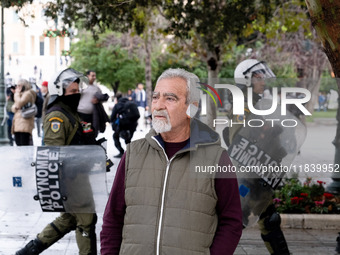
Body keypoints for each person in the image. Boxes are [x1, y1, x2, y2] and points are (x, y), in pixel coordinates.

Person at [100, 68, 243, 255]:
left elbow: (231, 222)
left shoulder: (217, 159)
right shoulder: (134, 153)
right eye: (155, 97)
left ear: (191, 107)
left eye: (170, 99)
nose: (158, 105)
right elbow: (112, 220)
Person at [16, 68, 98, 255]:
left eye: (78, 91)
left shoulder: (70, 113)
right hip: (71, 180)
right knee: (87, 221)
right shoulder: (57, 116)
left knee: (69, 219)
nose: (76, 95)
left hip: (78, 178)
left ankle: (27, 252)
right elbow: (52, 154)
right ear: (59, 93)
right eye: (72, 92)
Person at [225, 59, 290, 255]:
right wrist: (267, 133)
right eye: (259, 78)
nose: (263, 82)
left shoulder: (255, 104)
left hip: (258, 172)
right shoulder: (242, 106)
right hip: (247, 174)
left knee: (268, 219)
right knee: (237, 221)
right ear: (246, 80)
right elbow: (237, 139)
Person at [77, 70, 108, 137]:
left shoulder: (97, 88)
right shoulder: (80, 86)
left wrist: (98, 100)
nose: (94, 77)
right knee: (80, 132)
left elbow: (101, 99)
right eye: (92, 75)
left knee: (89, 132)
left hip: (92, 116)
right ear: (87, 76)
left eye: (95, 76)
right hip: (80, 114)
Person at [110, 93, 139, 158]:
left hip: (123, 124)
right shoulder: (132, 103)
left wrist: (114, 124)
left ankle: (121, 152)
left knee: (115, 136)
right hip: (133, 124)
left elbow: (112, 117)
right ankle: (131, 152)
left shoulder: (118, 105)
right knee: (128, 139)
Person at [11, 79, 36, 146]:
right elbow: (13, 108)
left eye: (19, 86)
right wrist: (16, 107)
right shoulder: (20, 95)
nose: (17, 88)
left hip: (25, 123)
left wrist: (16, 94)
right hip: (18, 123)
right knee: (18, 143)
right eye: (17, 86)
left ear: (24, 86)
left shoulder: (28, 94)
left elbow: (19, 103)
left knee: (24, 144)